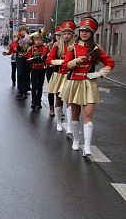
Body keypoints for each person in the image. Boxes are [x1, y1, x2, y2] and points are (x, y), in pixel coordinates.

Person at [60, 16, 114, 157]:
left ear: (91, 34)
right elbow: (65, 67)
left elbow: (110, 63)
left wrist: (100, 74)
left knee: (88, 113)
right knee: (75, 114)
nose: (84, 33)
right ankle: (76, 140)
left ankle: (88, 145)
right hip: (74, 83)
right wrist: (75, 61)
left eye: (87, 31)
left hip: (89, 83)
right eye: (82, 30)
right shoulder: (73, 48)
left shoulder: (96, 49)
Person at [46, 20, 76, 133]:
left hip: (71, 76)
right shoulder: (57, 45)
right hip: (59, 75)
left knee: (69, 101)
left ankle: (69, 125)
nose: (66, 36)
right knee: (59, 99)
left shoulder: (75, 46)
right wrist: (61, 62)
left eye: (69, 33)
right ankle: (58, 122)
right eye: (64, 33)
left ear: (72, 35)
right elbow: (48, 61)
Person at [26, 32, 49, 111]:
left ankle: (38, 101)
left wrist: (41, 58)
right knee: (34, 86)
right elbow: (29, 58)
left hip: (42, 69)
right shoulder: (31, 48)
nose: (38, 42)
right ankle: (33, 102)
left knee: (40, 87)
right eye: (36, 40)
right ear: (34, 41)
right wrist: (34, 59)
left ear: (42, 40)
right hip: (34, 69)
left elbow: (45, 58)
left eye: (39, 40)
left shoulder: (45, 48)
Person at [45, 26, 62, 116]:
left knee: (61, 90)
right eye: (57, 35)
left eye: (60, 35)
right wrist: (47, 57)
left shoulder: (66, 46)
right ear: (54, 36)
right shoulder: (50, 46)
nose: (59, 37)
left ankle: (60, 109)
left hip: (61, 70)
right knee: (51, 90)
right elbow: (44, 57)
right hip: (51, 70)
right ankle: (51, 108)